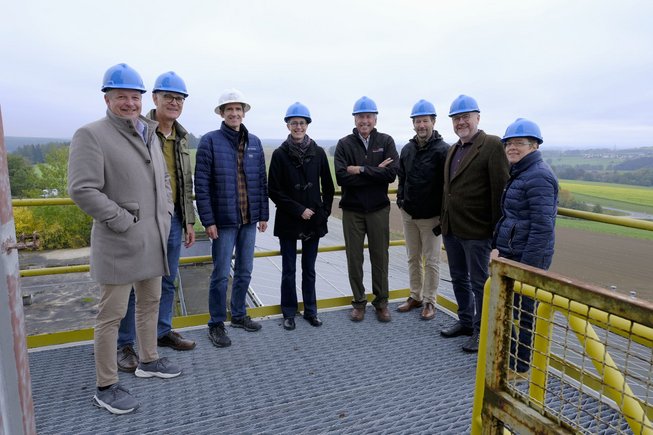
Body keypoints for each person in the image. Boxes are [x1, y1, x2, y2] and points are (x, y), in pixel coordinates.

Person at [68, 63, 181, 415]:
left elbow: (161, 178)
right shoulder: (91, 134)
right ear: (108, 98)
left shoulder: (148, 131)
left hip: (153, 238)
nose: (130, 103)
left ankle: (149, 360)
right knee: (112, 316)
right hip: (120, 241)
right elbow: (82, 189)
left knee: (149, 303)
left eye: (135, 96)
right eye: (122, 96)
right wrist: (121, 219)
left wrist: (166, 211)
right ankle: (106, 385)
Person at [116, 71, 196, 373]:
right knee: (133, 283)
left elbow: (183, 182)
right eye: (168, 97)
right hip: (142, 219)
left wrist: (189, 222)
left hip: (173, 219)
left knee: (167, 279)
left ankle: (161, 333)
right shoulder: (139, 129)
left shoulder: (182, 136)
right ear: (155, 99)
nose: (174, 103)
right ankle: (125, 343)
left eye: (179, 98)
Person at [195, 88, 269, 348]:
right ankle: (216, 323)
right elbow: (201, 184)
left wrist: (263, 214)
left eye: (238, 109)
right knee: (220, 273)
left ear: (244, 113)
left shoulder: (255, 142)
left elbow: (261, 181)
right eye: (229, 110)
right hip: (224, 221)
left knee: (245, 271)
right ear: (222, 113)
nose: (234, 113)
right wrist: (208, 220)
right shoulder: (210, 141)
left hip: (249, 219)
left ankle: (238, 315)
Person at [440, 95, 509, 353]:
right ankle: (466, 322)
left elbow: (499, 191)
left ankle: (482, 332)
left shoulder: (491, 145)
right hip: (453, 229)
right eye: (456, 118)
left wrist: (496, 235)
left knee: (480, 282)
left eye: (465, 117)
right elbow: (448, 189)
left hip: (478, 232)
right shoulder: (453, 149)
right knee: (458, 277)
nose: (461, 122)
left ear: (477, 118)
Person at [493, 118, 558, 379]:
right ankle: (509, 360)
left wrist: (526, 267)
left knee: (524, 313)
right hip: (511, 253)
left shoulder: (539, 176)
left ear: (534, 146)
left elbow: (542, 228)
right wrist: (496, 248)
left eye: (519, 143)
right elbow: (510, 218)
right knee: (511, 308)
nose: (512, 148)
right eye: (509, 143)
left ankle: (520, 368)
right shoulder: (520, 172)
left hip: (526, 258)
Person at [268, 102, 335, 330]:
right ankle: (288, 312)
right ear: (288, 125)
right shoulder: (279, 154)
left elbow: (328, 185)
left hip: (314, 219)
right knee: (288, 269)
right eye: (294, 123)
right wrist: (299, 210)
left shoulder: (318, 153)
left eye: (302, 123)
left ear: (307, 125)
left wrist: (323, 213)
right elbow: (274, 190)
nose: (298, 127)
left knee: (309, 268)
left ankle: (311, 311)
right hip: (289, 219)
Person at [334, 96, 399, 323]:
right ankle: (359, 303)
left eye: (368, 116)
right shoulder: (344, 144)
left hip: (378, 209)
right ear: (355, 118)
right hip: (352, 210)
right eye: (361, 116)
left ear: (375, 118)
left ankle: (381, 303)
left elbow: (391, 174)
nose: (365, 120)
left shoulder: (386, 140)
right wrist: (374, 172)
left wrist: (360, 169)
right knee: (354, 257)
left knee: (380, 256)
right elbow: (342, 177)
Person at [396, 100, 449, 321]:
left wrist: (442, 216)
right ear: (413, 124)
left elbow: (448, 186)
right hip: (409, 214)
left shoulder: (443, 150)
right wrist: (400, 200)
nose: (421, 125)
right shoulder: (407, 149)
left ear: (433, 122)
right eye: (417, 121)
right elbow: (402, 177)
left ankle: (430, 301)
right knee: (412, 257)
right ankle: (415, 296)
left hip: (432, 217)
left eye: (425, 120)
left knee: (432, 260)